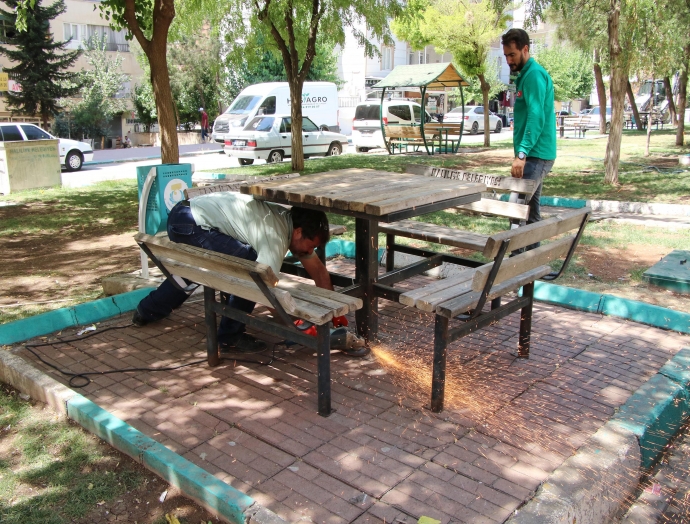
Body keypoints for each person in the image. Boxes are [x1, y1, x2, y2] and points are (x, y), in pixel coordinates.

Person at [133, 192, 366, 356]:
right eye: (310, 245)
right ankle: (229, 336)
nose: (310, 251)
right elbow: (265, 290)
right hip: (191, 224)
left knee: (191, 271)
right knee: (251, 269)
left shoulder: (289, 225)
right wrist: (299, 325)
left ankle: (147, 310)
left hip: (184, 216)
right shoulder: (274, 236)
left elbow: (319, 272)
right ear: (298, 232)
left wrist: (331, 312)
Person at [502, 28, 556, 248]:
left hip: (535, 155)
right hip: (534, 155)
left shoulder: (533, 75)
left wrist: (522, 153)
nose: (509, 60)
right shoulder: (526, 75)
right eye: (506, 55)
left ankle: (514, 263)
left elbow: (536, 116)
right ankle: (532, 262)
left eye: (512, 55)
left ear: (525, 49)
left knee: (516, 212)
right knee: (531, 214)